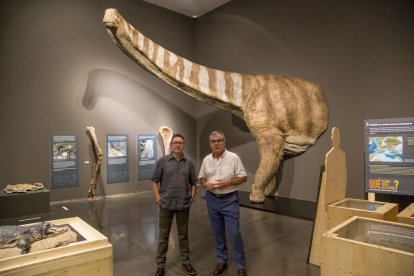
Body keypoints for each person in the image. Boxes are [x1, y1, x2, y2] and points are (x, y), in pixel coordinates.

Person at [199, 130, 248, 276]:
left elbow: (243, 177)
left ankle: (241, 265)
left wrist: (228, 182)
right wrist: (205, 184)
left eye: (219, 140)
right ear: (210, 144)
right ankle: (222, 261)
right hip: (212, 199)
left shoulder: (233, 158)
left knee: (234, 233)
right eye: (213, 141)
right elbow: (202, 178)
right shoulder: (206, 159)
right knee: (217, 233)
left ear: (224, 142)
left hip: (229, 200)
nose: (216, 143)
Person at [151, 133, 198, 276]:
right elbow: (154, 180)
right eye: (175, 142)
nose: (178, 145)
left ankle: (186, 262)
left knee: (183, 235)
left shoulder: (189, 163)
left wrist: (193, 197)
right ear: (171, 145)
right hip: (166, 204)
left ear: (184, 145)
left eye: (180, 142)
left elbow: (194, 182)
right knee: (163, 236)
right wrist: (158, 198)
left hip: (183, 204)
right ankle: (160, 265)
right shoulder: (163, 161)